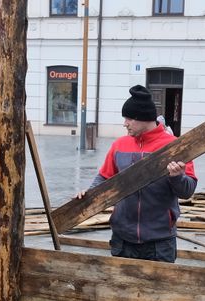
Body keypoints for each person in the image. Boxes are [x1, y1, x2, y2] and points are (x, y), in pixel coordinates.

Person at [75, 85, 197, 263]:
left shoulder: (175, 147)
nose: (125, 123)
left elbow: (188, 191)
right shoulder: (119, 145)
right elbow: (104, 177)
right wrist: (89, 193)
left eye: (129, 118)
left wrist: (177, 177)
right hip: (123, 239)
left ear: (145, 118)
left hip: (159, 241)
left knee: (157, 290)